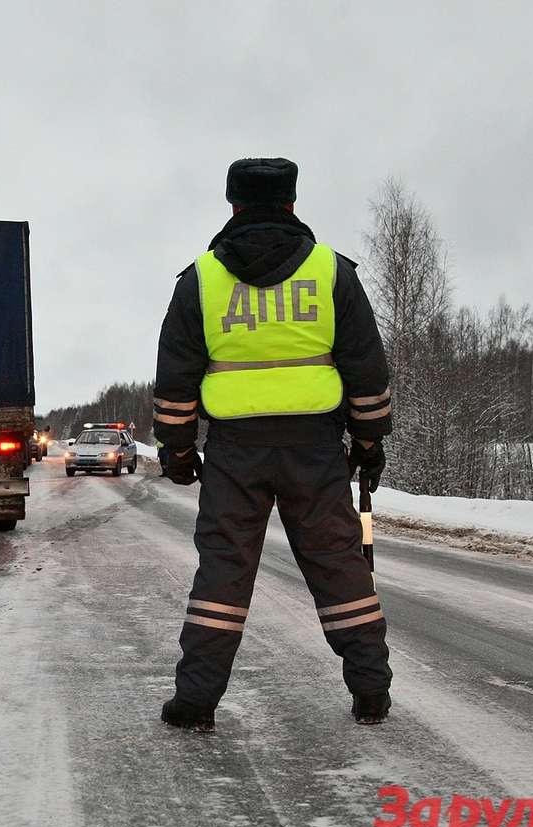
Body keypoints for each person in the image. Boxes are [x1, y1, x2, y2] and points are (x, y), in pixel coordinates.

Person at [153, 158, 392, 731]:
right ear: (291, 203)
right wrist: (367, 442)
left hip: (236, 452)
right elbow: (366, 368)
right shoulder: (333, 273)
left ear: (232, 205)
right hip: (314, 448)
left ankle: (196, 702)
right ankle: (371, 692)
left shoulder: (202, 279)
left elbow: (176, 381)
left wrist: (180, 453)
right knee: (340, 566)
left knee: (223, 573)